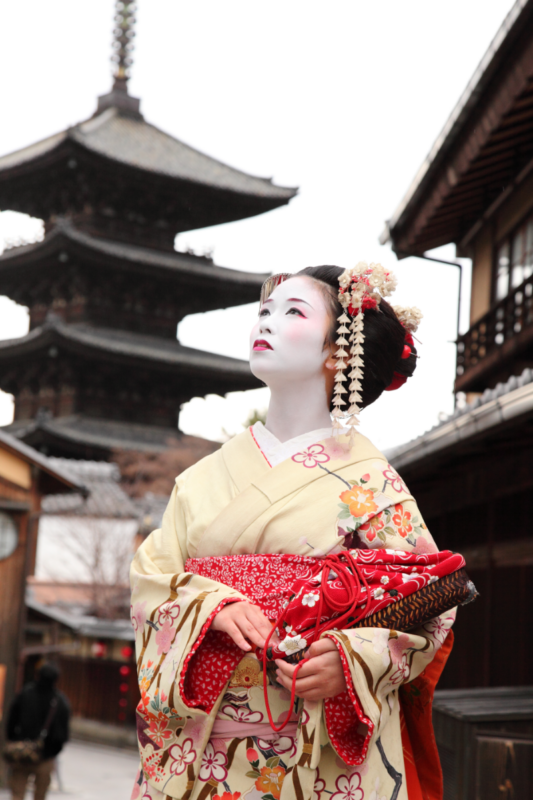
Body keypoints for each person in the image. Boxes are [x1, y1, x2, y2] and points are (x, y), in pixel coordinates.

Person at [130, 264, 456, 800]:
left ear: (339, 351)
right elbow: (149, 582)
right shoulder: (202, 479)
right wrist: (208, 605)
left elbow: (434, 602)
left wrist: (354, 659)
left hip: (317, 748)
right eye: (264, 311)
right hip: (204, 752)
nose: (268, 322)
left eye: (293, 312)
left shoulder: (373, 484)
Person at [7, 663, 70, 800]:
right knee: (40, 795)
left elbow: (11, 720)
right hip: (45, 756)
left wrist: (14, 741)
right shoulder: (59, 701)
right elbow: (63, 734)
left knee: (17, 793)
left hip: (22, 750)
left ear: (37, 675)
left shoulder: (25, 693)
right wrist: (51, 752)